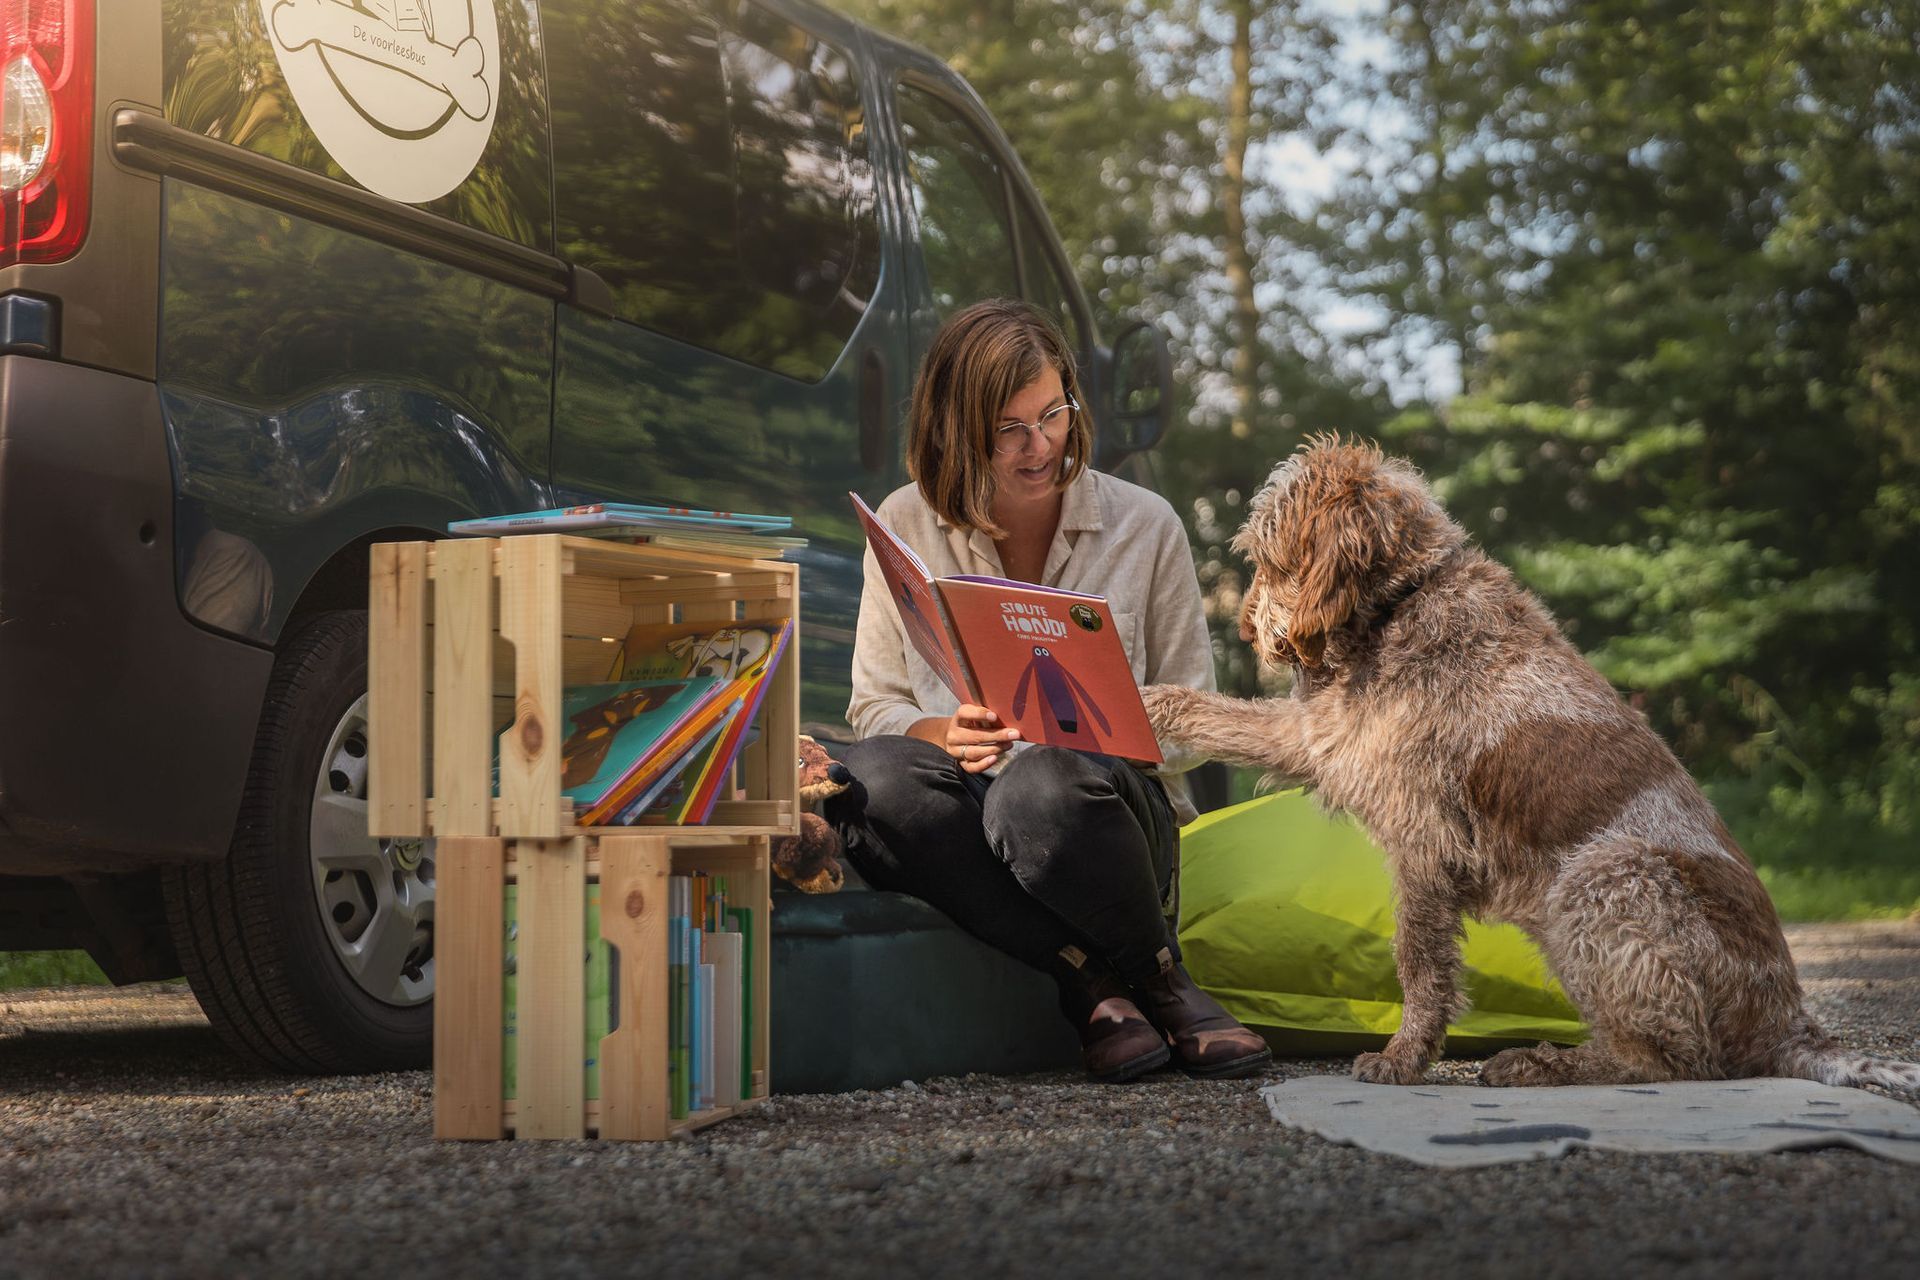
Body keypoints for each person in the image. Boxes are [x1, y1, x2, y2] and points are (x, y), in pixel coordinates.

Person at [833, 298, 1271, 1082]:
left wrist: (1097, 727)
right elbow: (874, 706)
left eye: (1055, 414)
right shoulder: (906, 522)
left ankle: (1157, 972)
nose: (1041, 447)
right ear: (956, 428)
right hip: (973, 819)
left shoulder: (1148, 525)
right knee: (869, 779)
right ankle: (1094, 981)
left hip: (1098, 823)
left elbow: (1195, 725)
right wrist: (943, 734)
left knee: (1040, 787)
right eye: (1009, 429)